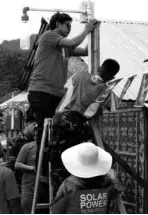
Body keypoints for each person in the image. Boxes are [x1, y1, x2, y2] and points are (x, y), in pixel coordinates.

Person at [28, 12, 98, 162]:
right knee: (44, 128)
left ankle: (51, 161)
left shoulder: (63, 48)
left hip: (55, 93)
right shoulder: (48, 35)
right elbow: (73, 42)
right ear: (58, 24)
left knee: (55, 128)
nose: (69, 28)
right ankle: (42, 163)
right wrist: (86, 29)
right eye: (67, 25)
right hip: (41, 90)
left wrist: (94, 33)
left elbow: (85, 51)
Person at [49, 59, 120, 192]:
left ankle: (57, 197)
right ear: (112, 77)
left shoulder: (79, 74)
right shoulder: (104, 89)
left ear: (99, 67)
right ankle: (73, 194)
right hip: (74, 123)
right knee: (80, 158)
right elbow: (91, 112)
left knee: (57, 159)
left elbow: (64, 90)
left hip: (58, 119)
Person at [50, 142, 127, 214]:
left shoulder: (69, 184)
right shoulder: (107, 183)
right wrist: (113, 178)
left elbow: (55, 209)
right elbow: (119, 188)